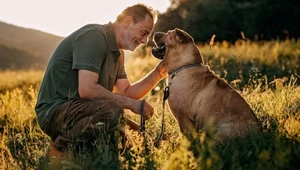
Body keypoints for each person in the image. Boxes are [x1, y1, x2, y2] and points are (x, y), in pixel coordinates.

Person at [35, 3, 166, 164]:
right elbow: (87, 90)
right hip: (55, 112)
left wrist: (159, 72)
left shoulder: (118, 53)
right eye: (144, 33)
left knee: (139, 137)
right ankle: (60, 150)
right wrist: (132, 104)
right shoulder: (94, 36)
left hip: (84, 110)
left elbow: (126, 91)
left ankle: (90, 150)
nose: (145, 41)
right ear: (127, 22)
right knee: (113, 111)